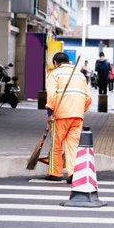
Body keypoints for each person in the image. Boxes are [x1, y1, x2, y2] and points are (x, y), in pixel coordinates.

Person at [45, 52, 92, 183]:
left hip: (60, 115)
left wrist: (50, 114)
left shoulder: (54, 74)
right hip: (77, 116)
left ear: (55, 63)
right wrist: (81, 110)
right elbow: (88, 97)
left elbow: (52, 96)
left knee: (57, 144)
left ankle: (55, 173)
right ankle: (74, 174)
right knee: (73, 145)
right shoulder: (80, 75)